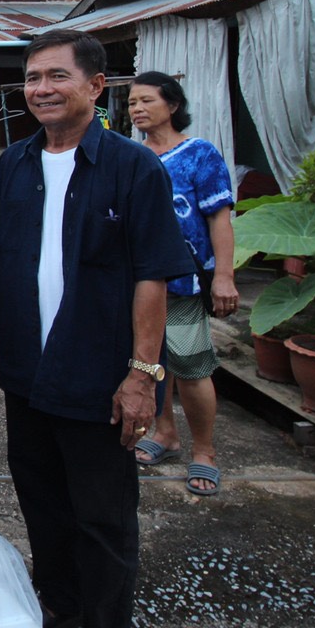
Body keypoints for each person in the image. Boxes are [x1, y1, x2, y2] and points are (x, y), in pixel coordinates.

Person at [0, 29, 193, 628]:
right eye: (32, 78)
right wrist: (0, 350)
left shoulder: (134, 170)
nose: (41, 90)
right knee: (41, 503)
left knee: (104, 518)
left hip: (100, 377)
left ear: (97, 86)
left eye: (56, 77)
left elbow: (152, 277)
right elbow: (10, 267)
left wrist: (143, 375)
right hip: (26, 375)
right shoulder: (14, 165)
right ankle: (61, 604)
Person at [127, 72, 239, 496]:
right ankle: (165, 433)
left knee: (191, 367)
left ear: (172, 105)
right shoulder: (134, 156)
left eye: (147, 101)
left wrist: (223, 276)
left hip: (184, 283)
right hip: (140, 283)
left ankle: (205, 452)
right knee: (152, 364)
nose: (138, 109)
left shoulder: (199, 155)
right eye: (133, 102)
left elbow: (219, 217)